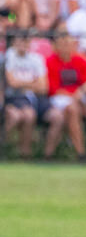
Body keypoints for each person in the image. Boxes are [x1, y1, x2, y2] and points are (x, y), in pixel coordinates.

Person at [43, 28, 86, 160]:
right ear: (56, 46)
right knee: (71, 110)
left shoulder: (81, 60)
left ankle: (50, 154)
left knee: (72, 109)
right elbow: (52, 89)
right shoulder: (50, 61)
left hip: (79, 98)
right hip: (58, 99)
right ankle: (81, 152)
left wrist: (81, 91)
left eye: (68, 43)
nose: (66, 47)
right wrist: (73, 96)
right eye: (62, 43)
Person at [4, 29, 46, 157]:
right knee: (15, 117)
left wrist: (21, 83)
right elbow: (11, 83)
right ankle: (5, 149)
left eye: (26, 41)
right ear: (14, 42)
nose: (23, 44)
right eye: (20, 41)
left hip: (28, 99)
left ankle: (24, 153)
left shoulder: (36, 59)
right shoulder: (10, 55)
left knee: (29, 116)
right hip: (10, 98)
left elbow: (43, 87)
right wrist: (31, 83)